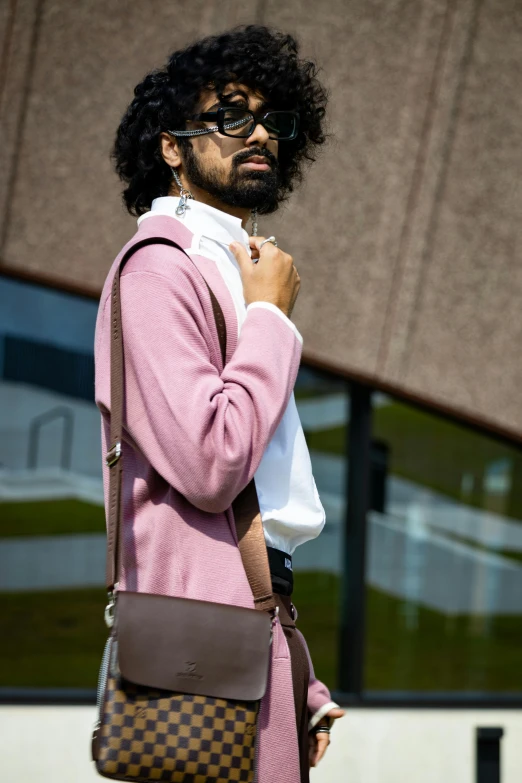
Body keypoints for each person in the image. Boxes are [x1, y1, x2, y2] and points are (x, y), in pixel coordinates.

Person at [94, 24, 344, 783]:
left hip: (253, 629)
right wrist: (270, 318)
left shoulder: (228, 266)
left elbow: (260, 496)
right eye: (231, 115)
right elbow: (210, 463)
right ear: (172, 145)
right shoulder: (159, 272)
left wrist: (301, 679)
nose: (259, 131)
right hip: (209, 647)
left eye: (272, 118)